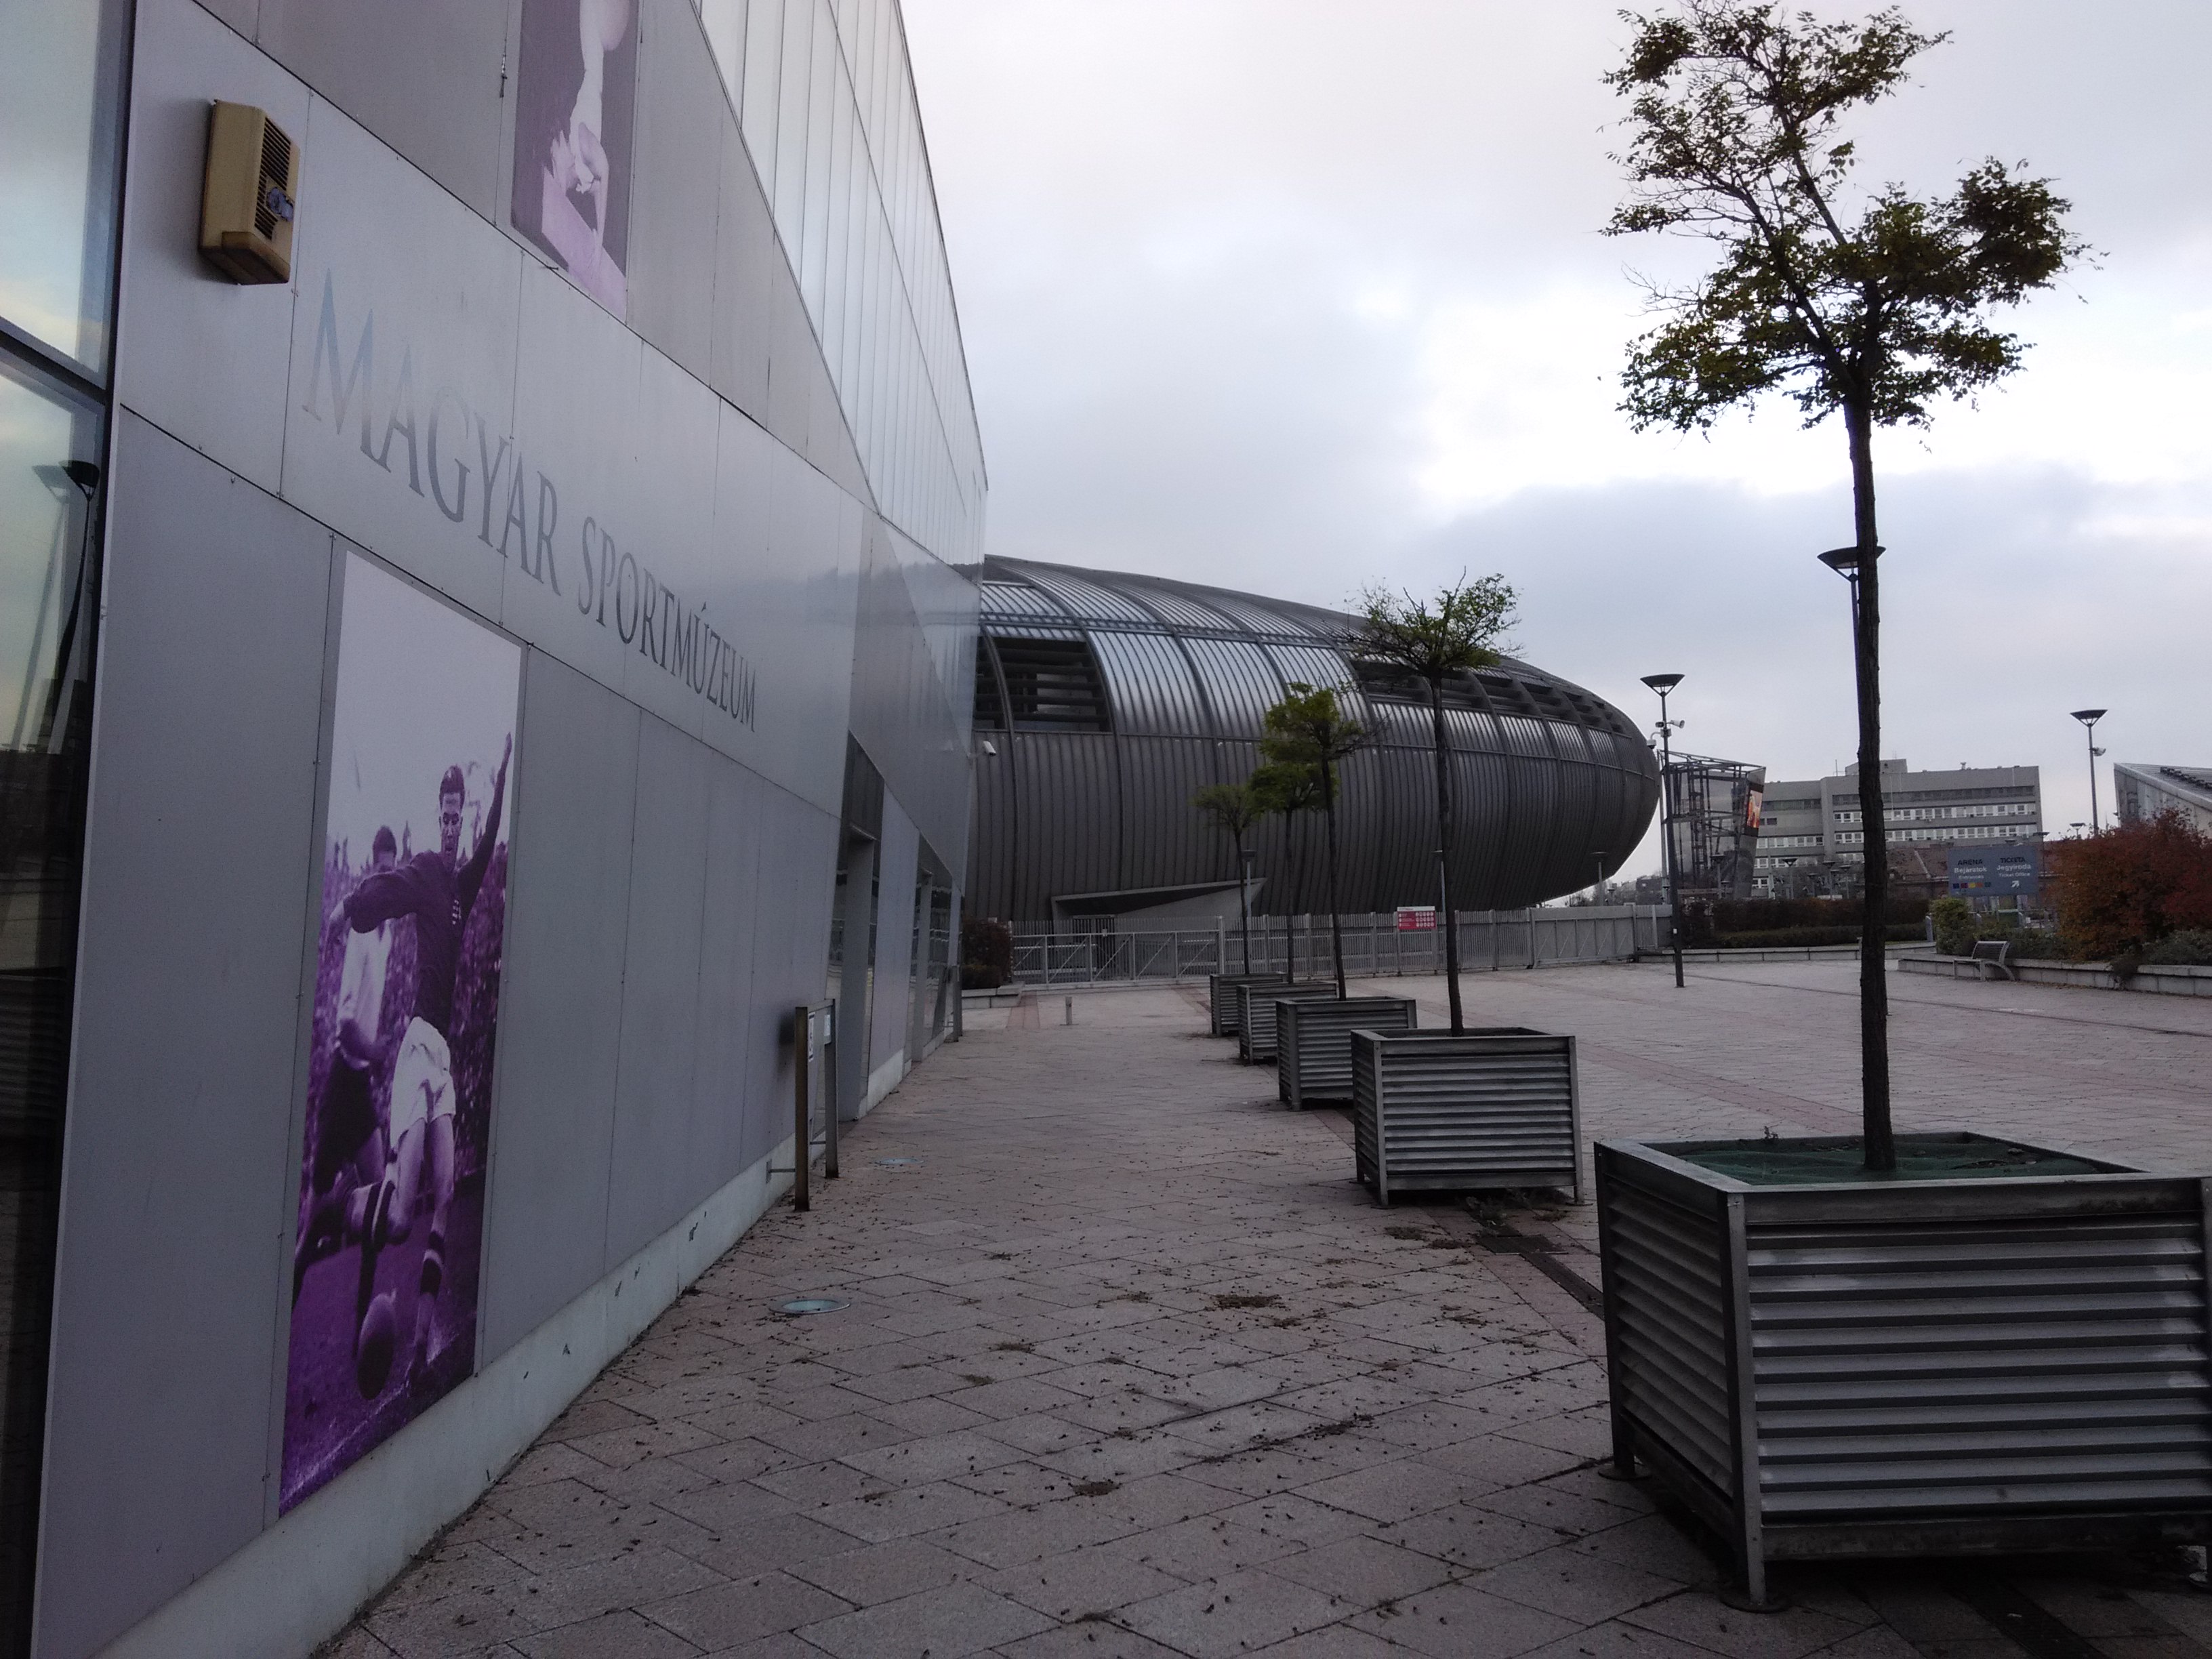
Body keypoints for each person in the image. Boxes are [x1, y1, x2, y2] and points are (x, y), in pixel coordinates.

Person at [340, 733, 510, 1392]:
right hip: (416, 1047)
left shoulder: (464, 882)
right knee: (399, 1220)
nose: (450, 822)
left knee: (446, 1194)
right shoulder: (425, 872)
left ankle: (419, 1348)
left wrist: (502, 774)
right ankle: (343, 1206)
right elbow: (384, 894)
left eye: (457, 814)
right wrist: (353, 908)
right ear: (435, 814)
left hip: (444, 1058)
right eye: (444, 812)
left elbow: (491, 838)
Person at [292, 827, 399, 1309]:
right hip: (342, 1085)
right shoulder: (361, 935)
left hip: (360, 1086)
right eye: (380, 870)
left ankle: (362, 1324)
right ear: (371, 873)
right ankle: (288, 1298)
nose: (386, 879)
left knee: (380, 1206)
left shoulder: (388, 934)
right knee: (309, 1230)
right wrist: (378, 1052)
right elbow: (346, 1028)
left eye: (391, 871)